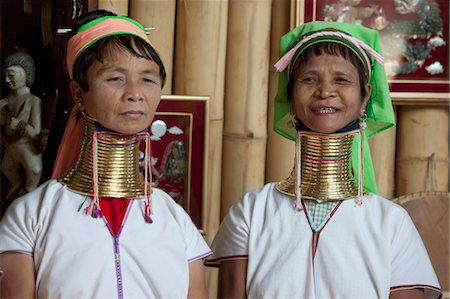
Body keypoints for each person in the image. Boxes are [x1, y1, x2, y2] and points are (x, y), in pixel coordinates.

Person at [205, 21, 442, 298]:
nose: (325, 91)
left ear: (365, 96)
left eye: (341, 80)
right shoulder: (252, 211)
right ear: (290, 96)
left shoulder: (391, 223)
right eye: (309, 79)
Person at [0, 10, 211, 298]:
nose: (135, 93)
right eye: (115, 78)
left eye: (148, 79)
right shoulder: (30, 216)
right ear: (78, 93)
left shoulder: (175, 219)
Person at [0, 52, 42, 202]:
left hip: (26, 147)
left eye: (11, 75)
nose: (6, 80)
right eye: (5, 75)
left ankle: (30, 194)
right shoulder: (9, 99)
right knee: (6, 168)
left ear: (25, 74)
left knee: (35, 171)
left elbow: (36, 131)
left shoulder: (33, 100)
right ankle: (17, 183)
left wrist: (19, 124)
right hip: (11, 146)